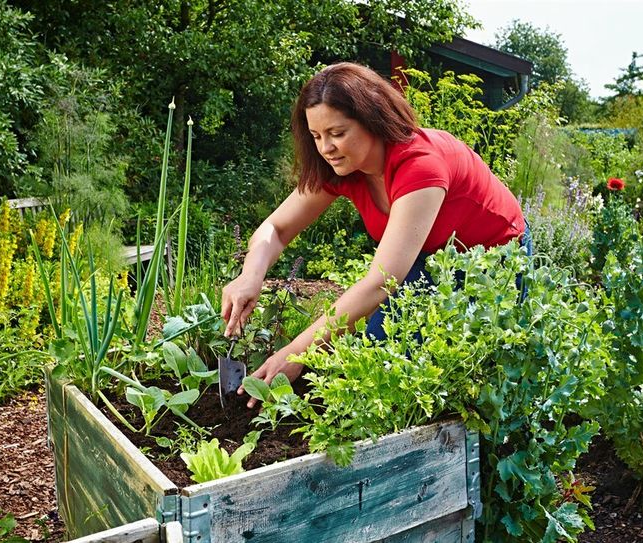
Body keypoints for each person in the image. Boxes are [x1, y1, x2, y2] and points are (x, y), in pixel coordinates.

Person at [221, 62, 529, 407]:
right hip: (431, 254)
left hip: (491, 260)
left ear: (373, 120)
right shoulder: (341, 168)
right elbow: (275, 229)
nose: (326, 148)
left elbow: (381, 281)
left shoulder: (419, 165)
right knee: (382, 351)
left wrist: (295, 354)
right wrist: (250, 276)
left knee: (456, 368)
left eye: (337, 133)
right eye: (316, 136)